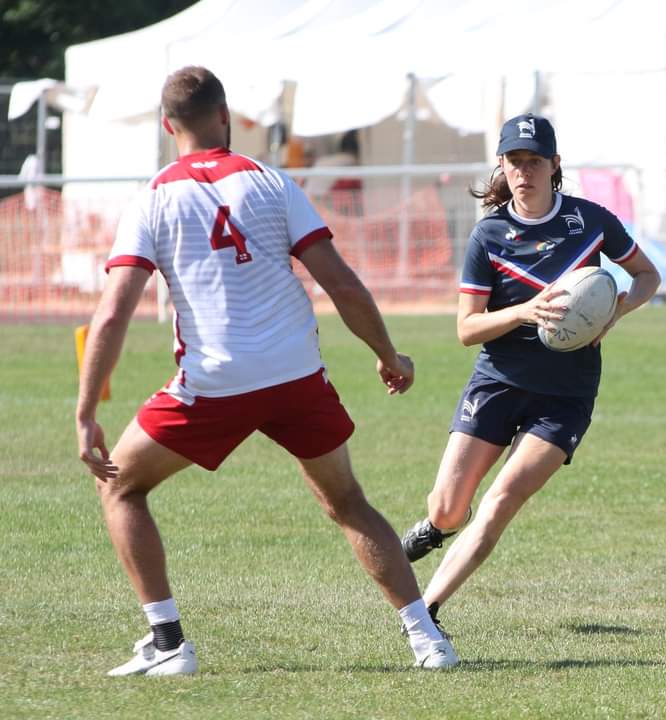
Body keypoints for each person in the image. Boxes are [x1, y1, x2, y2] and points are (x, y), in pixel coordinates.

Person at [75, 66, 457, 676]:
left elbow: (114, 309)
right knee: (349, 502)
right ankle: (429, 642)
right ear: (226, 118)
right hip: (296, 375)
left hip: (215, 382)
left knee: (120, 485)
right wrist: (387, 354)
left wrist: (86, 410)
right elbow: (340, 281)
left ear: (168, 126)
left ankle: (169, 642)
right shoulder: (272, 182)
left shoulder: (150, 198)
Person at [398, 113, 660, 628]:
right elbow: (467, 329)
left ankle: (426, 611)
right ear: (502, 165)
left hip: (566, 394)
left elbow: (646, 275)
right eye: (515, 161)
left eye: (535, 161)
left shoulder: (590, 221)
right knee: (451, 507)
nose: (525, 171)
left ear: (554, 164)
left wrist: (616, 310)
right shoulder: (489, 236)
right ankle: (436, 525)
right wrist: (524, 310)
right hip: (497, 381)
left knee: (501, 500)